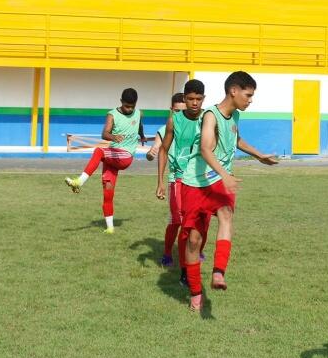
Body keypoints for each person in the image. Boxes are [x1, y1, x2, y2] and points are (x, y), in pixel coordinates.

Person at [180, 71, 279, 311]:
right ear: (233, 91)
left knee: (226, 215)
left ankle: (218, 273)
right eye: (248, 95)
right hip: (195, 181)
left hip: (219, 179)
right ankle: (195, 294)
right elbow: (205, 149)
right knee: (194, 241)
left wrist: (259, 155)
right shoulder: (210, 116)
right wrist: (225, 175)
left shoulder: (234, 115)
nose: (251, 100)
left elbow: (236, 140)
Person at [65, 88, 144, 234]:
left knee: (99, 151)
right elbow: (104, 133)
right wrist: (113, 137)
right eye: (127, 106)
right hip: (113, 156)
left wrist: (142, 136)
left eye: (132, 106)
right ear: (121, 102)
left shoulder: (139, 113)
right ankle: (110, 228)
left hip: (125, 156)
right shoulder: (112, 114)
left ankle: (80, 181)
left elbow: (139, 125)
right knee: (108, 192)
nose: (129, 109)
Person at [154, 83, 209, 277]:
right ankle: (169, 253)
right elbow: (163, 149)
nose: (194, 103)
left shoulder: (209, 119)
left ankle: (195, 252)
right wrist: (160, 181)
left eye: (199, 99)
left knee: (202, 220)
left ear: (204, 98)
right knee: (178, 220)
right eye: (190, 99)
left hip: (203, 179)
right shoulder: (174, 121)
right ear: (184, 99)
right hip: (178, 177)